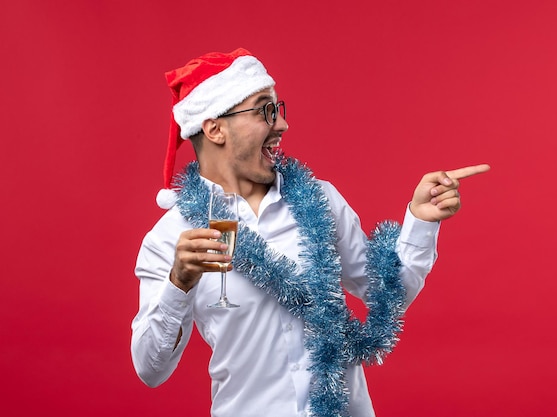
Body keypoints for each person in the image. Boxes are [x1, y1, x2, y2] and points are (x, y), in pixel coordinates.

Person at [130, 48, 490, 417]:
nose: (282, 125)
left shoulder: (320, 199)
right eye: (265, 111)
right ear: (215, 129)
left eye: (279, 109)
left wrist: (421, 220)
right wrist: (179, 283)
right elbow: (150, 369)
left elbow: (387, 297)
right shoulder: (171, 236)